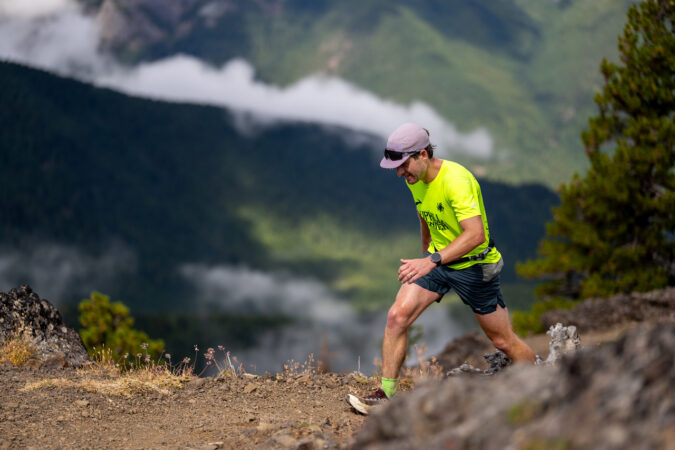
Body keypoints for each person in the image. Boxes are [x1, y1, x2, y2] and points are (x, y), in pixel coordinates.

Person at [347, 122, 535, 414]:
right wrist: (426, 256)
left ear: (422, 154)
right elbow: (425, 215)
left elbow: (476, 235)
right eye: (396, 167)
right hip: (437, 261)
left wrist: (430, 260)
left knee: (502, 340)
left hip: (474, 266)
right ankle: (385, 395)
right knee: (397, 316)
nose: (400, 173)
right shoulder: (415, 179)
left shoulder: (455, 180)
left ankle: (545, 385)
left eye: (403, 165)